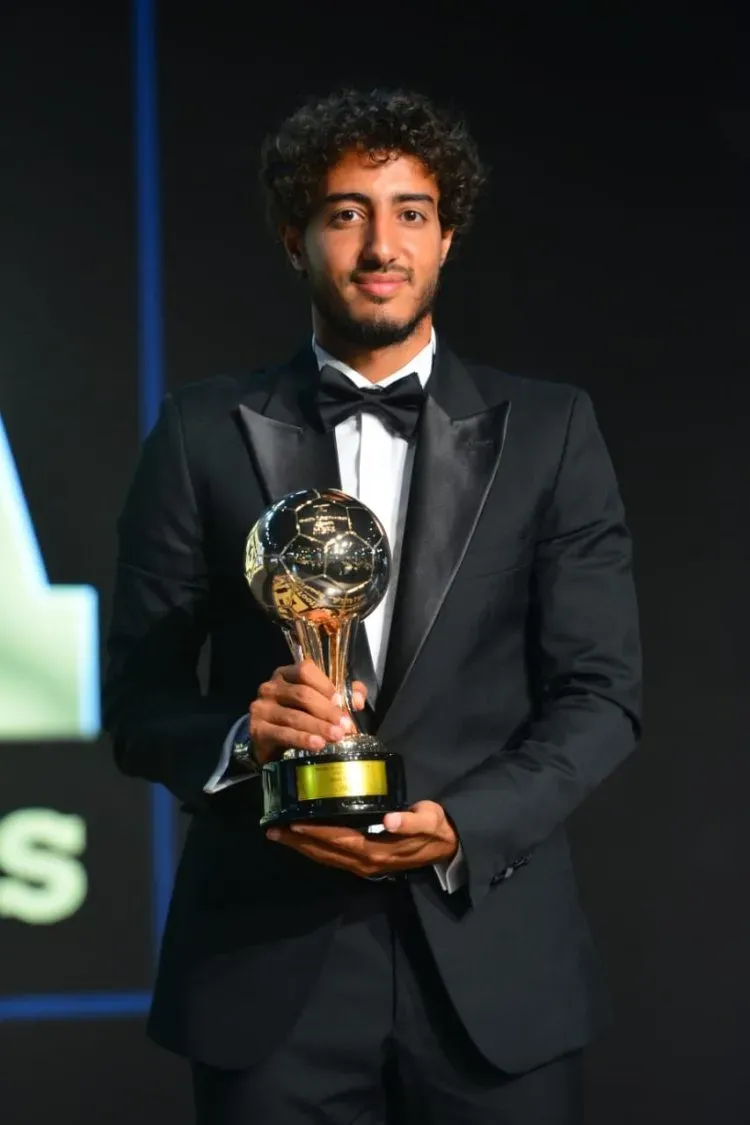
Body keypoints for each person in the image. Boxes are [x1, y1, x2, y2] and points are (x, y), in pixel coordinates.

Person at [103, 87, 642, 1125]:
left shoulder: (551, 431)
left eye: (411, 212)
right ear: (294, 238)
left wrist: (462, 826)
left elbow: (601, 695)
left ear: (447, 236)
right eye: (347, 212)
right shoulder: (200, 432)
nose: (381, 245)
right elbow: (138, 699)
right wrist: (245, 742)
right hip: (266, 971)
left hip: (494, 962)